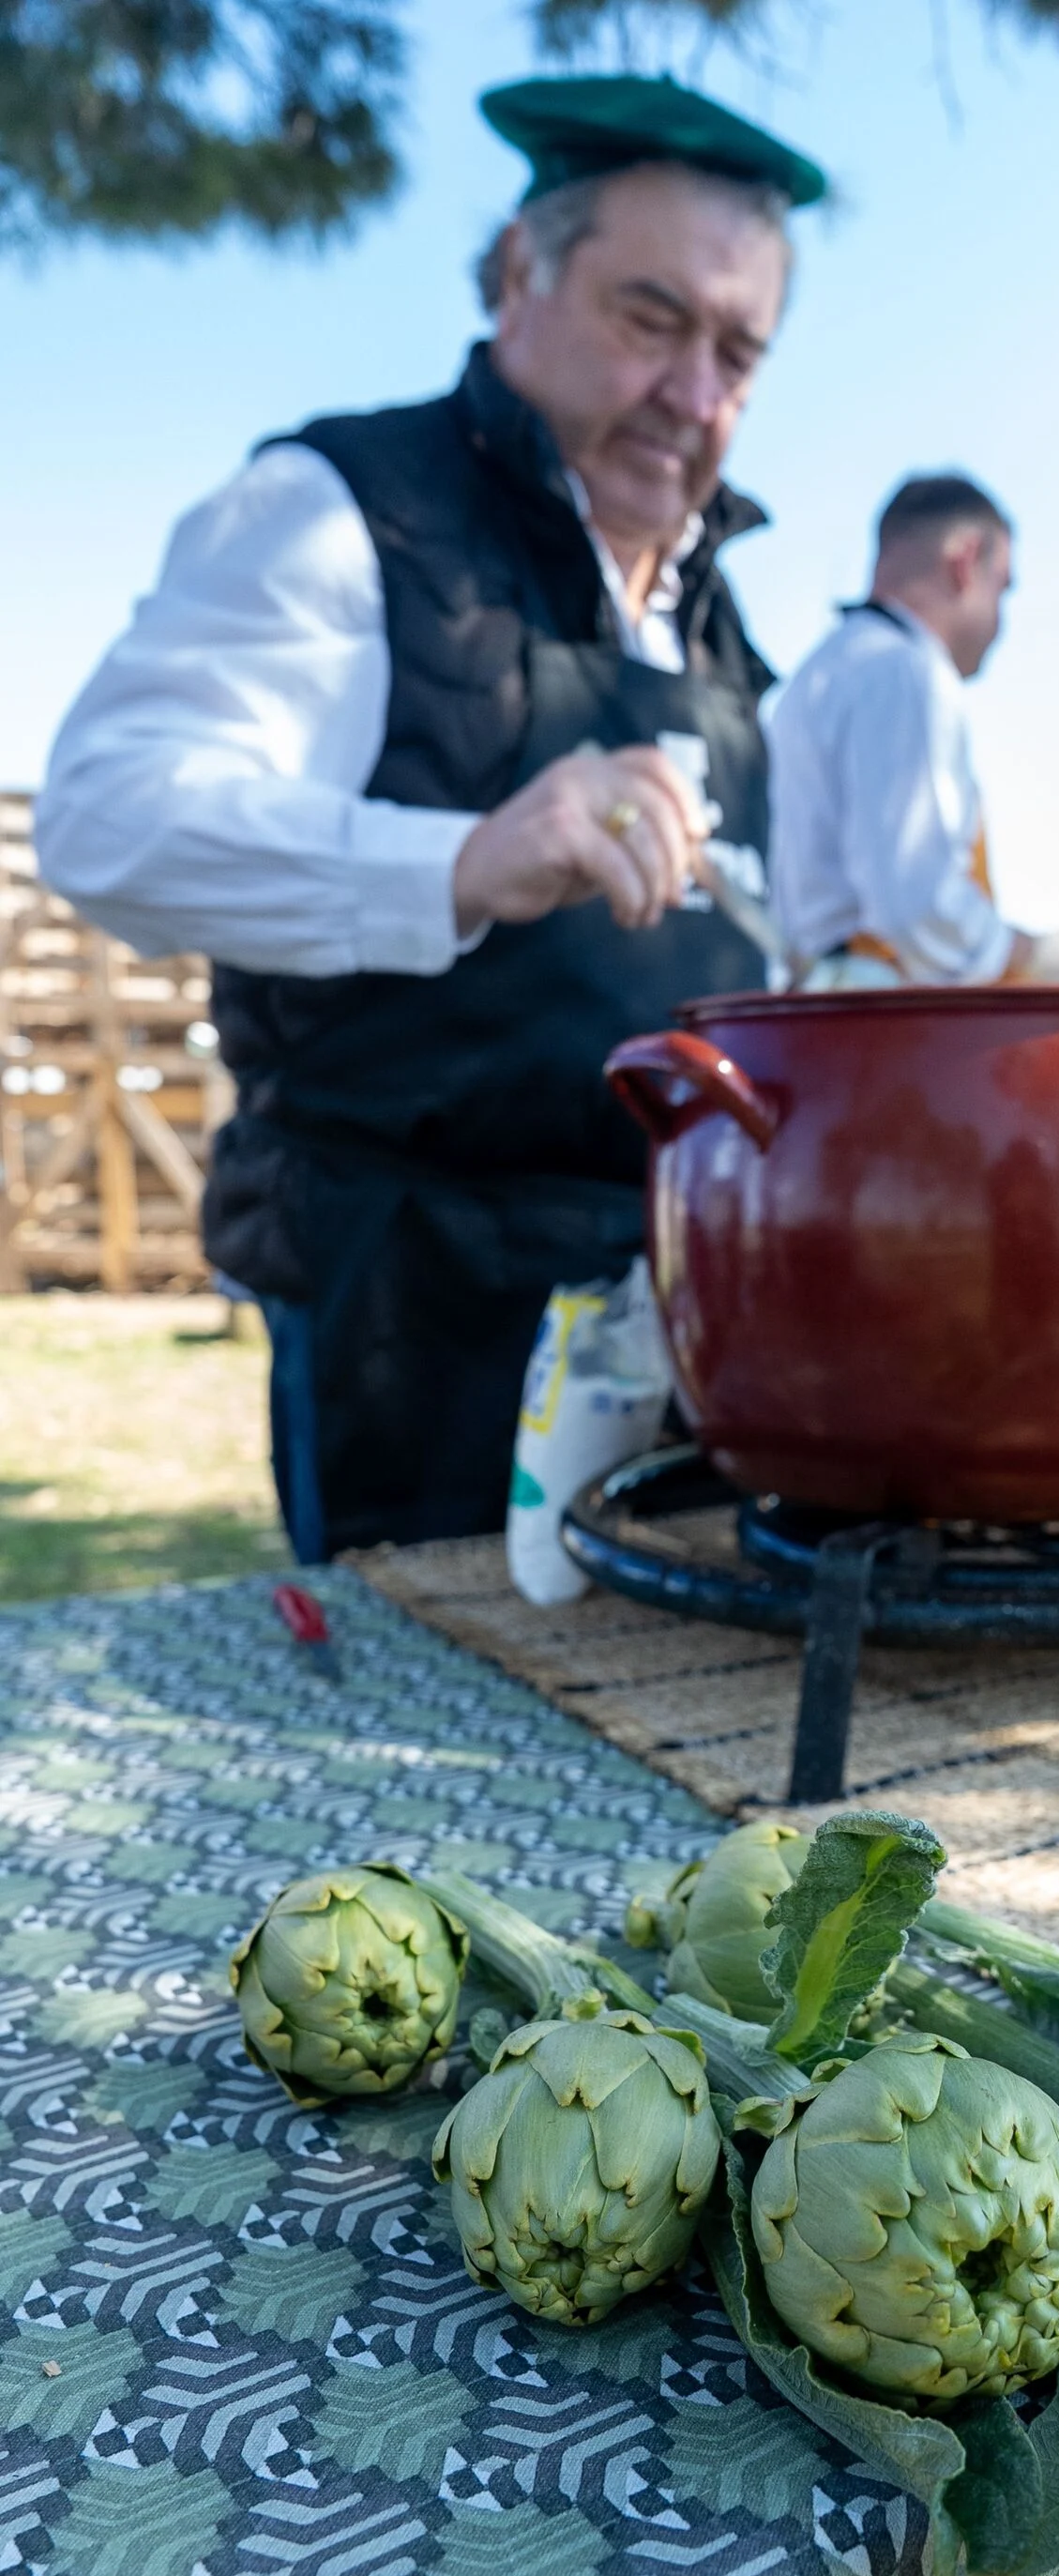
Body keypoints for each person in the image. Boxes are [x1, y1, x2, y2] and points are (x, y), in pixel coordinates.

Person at [37, 75, 825, 1562]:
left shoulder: (725, 632)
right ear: (522, 271)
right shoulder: (343, 508)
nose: (695, 394)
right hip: (417, 1321)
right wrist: (460, 860)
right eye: (652, 320)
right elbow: (109, 815)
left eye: (738, 354)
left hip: (688, 1321)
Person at [766, 474, 1059, 986]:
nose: (1002, 621)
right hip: (880, 1012)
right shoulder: (903, 672)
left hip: (818, 995)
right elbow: (915, 901)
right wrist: (1030, 955)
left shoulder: (822, 670)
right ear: (965, 562)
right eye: (1003, 587)